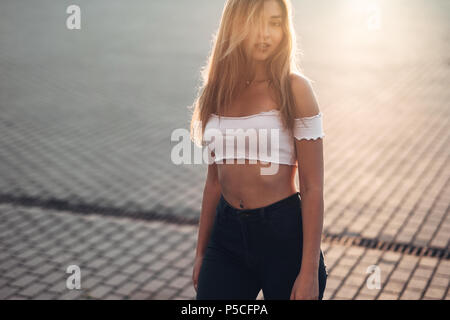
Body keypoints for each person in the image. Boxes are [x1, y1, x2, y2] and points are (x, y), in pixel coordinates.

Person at [189, 0, 328, 300]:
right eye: (255, 23)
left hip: (284, 237)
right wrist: (201, 252)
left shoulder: (295, 90)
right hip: (226, 239)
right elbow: (214, 181)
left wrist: (308, 272)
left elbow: (312, 187)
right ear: (235, 26)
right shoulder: (217, 91)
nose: (265, 34)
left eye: (275, 23)